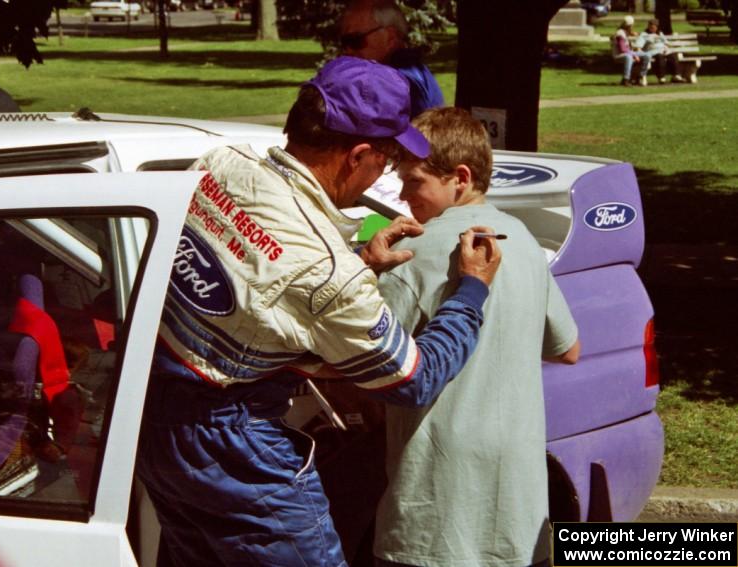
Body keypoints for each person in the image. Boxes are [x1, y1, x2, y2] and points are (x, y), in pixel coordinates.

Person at [136, 56, 501, 567]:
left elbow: (255, 278)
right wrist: (471, 292)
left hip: (150, 420)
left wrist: (361, 261)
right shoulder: (328, 274)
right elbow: (413, 378)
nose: (384, 178)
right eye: (385, 161)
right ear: (357, 155)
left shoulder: (219, 164)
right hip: (236, 448)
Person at [372, 107, 580, 567]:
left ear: (459, 178)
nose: (404, 197)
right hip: (518, 506)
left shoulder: (410, 253)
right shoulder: (523, 241)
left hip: (436, 505)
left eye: (413, 181)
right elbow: (568, 349)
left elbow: (366, 362)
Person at [339, 0, 444, 117]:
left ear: (390, 37)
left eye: (355, 40)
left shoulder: (399, 87)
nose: (348, 51)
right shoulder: (413, 70)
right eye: (344, 42)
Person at [636, 18, 684, 84]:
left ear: (657, 27)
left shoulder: (660, 33)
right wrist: (639, 55)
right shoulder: (644, 35)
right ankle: (661, 77)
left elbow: (667, 43)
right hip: (653, 52)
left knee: (673, 56)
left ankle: (676, 75)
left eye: (654, 27)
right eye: (651, 27)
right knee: (660, 57)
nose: (652, 28)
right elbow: (638, 46)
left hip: (664, 50)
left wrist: (671, 47)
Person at [612, 14, 652, 87]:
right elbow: (623, 49)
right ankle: (626, 79)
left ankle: (641, 76)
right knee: (629, 57)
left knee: (647, 55)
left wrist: (635, 35)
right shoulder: (620, 34)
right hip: (619, 54)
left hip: (628, 53)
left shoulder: (626, 32)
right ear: (629, 26)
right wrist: (634, 55)